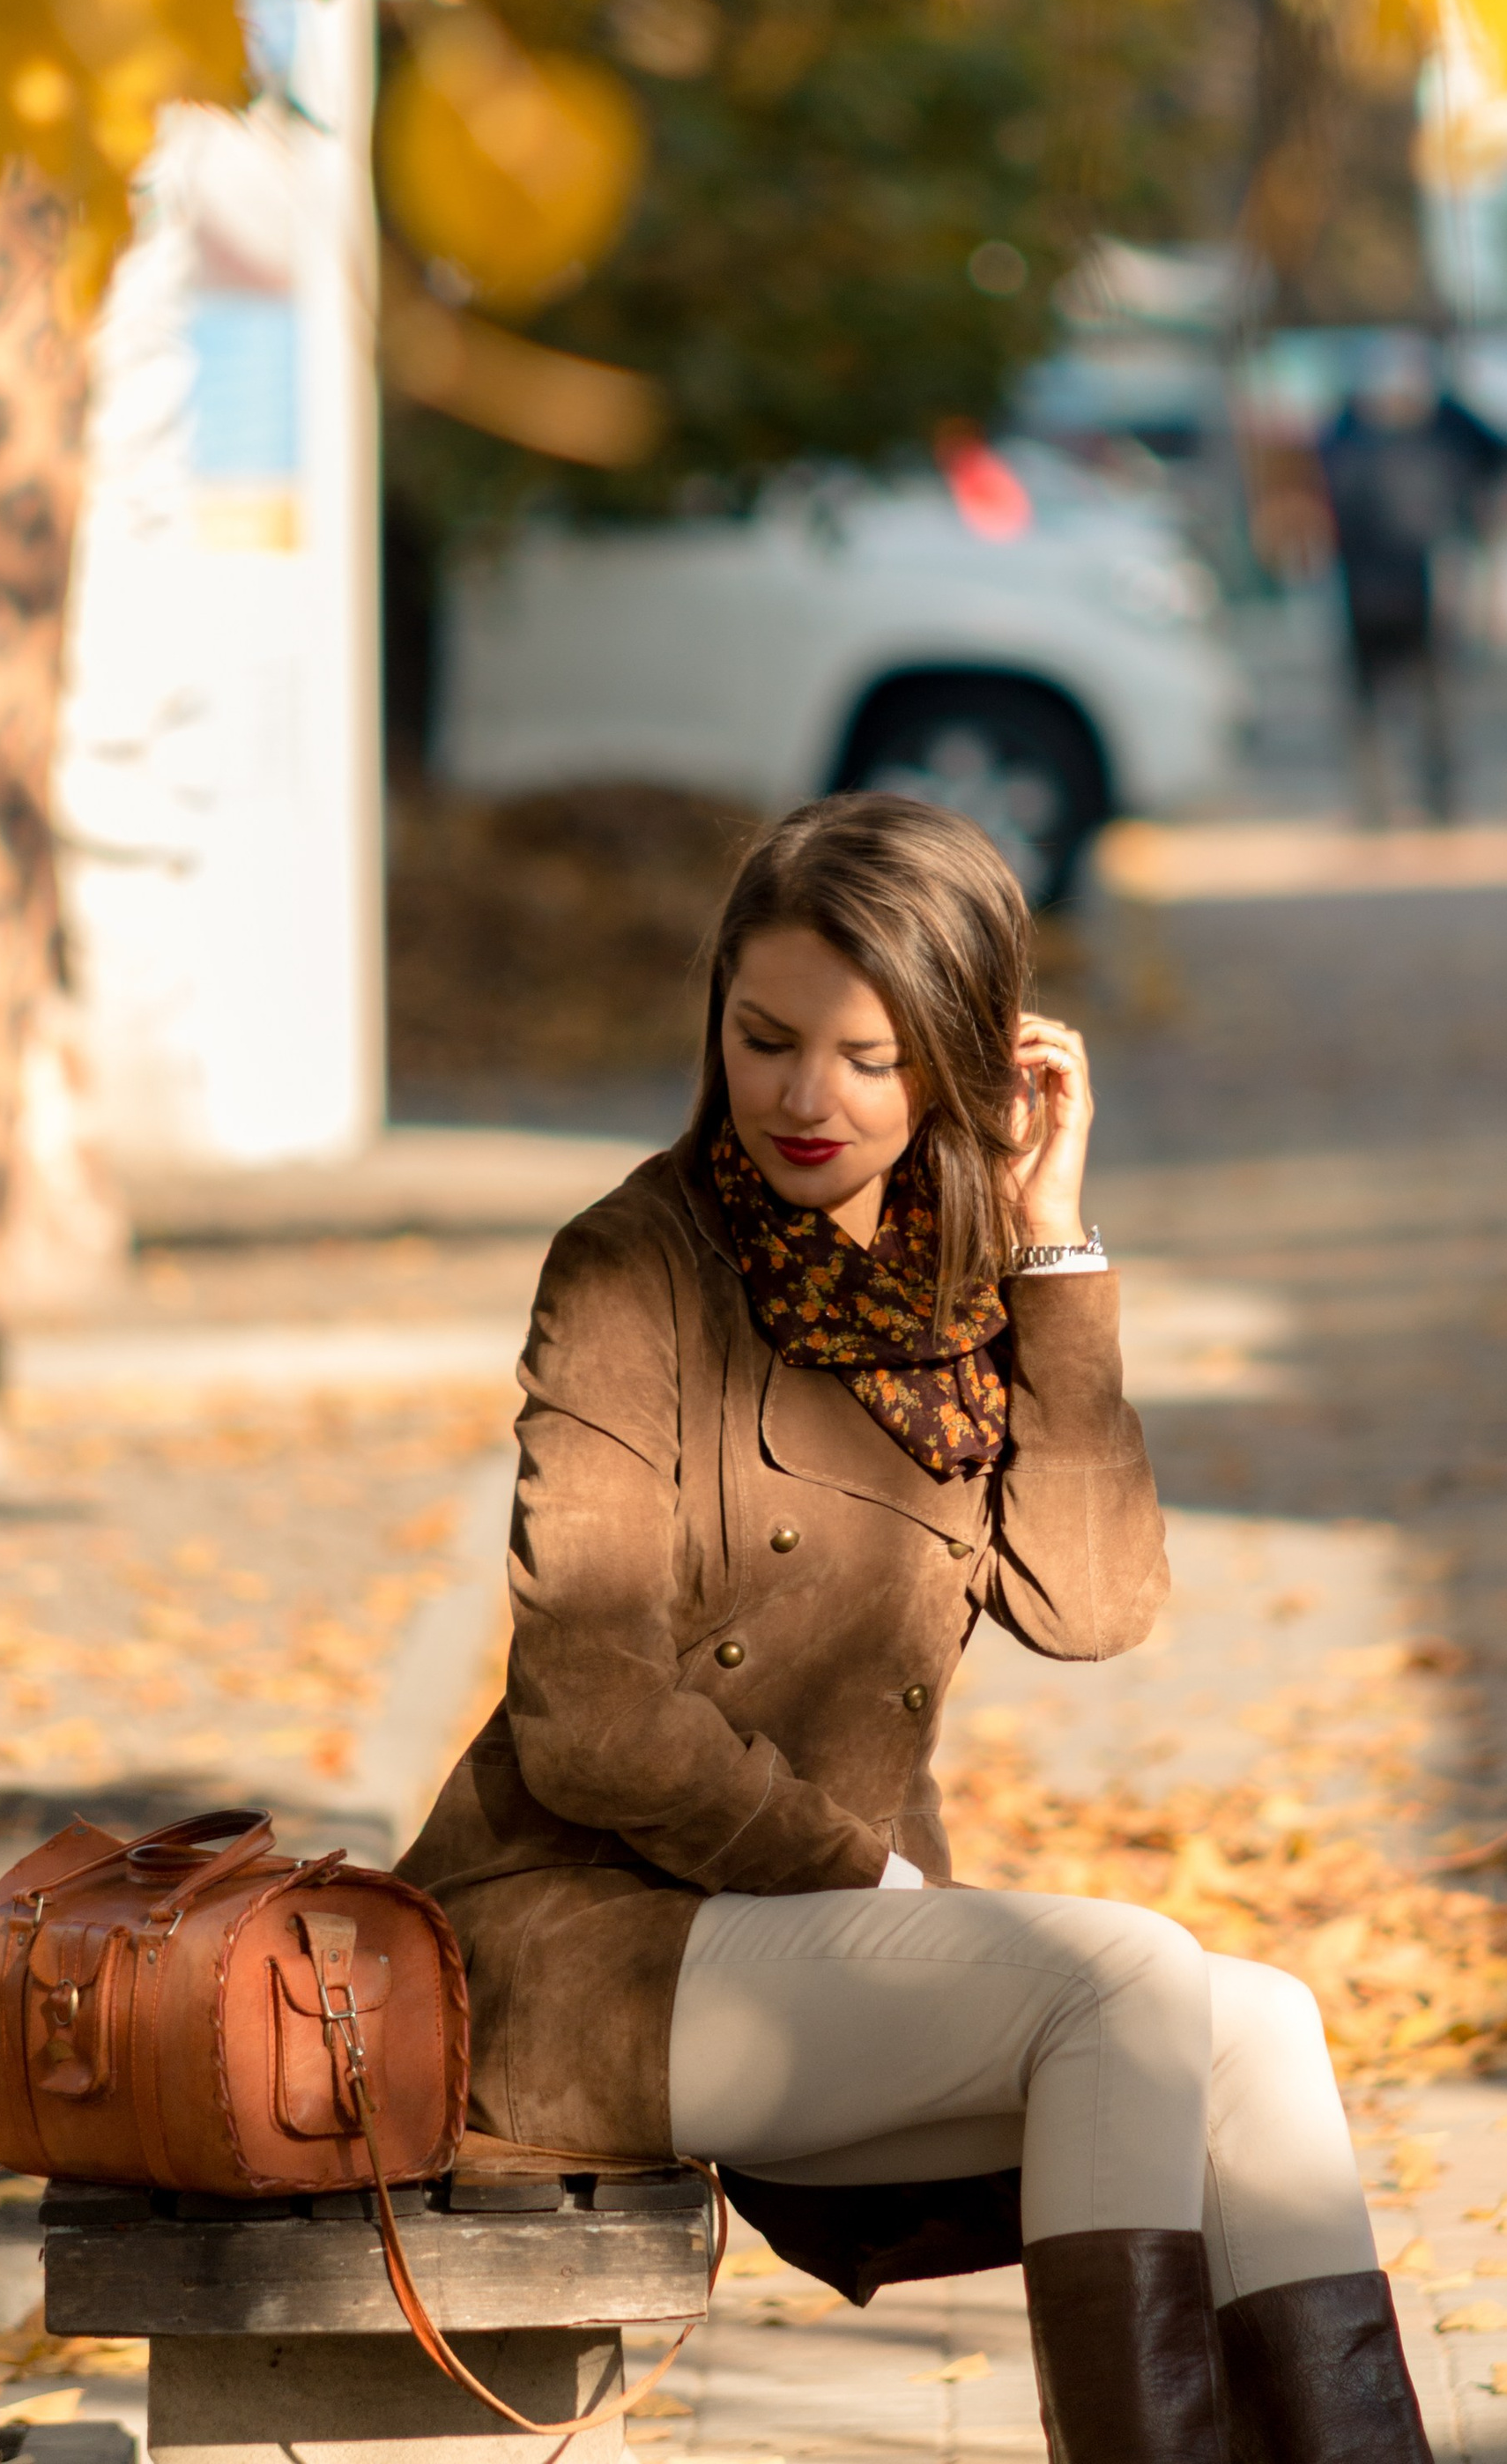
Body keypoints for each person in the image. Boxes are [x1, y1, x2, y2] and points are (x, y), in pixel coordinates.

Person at [399, 791, 1431, 2464]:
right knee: (1125, 1973)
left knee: (1261, 2025)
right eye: (766, 1038)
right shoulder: (631, 1269)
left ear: (957, 1059)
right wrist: (861, 1879)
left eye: (870, 1057)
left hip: (816, 1962)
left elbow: (1089, 1609)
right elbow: (586, 1707)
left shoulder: (961, 1284)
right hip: (588, 1953)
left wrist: (1056, 1251)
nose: (806, 1098)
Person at [1317, 340, 1503, 824]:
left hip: (1424, 590)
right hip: (1366, 591)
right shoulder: (1352, 433)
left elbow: (1498, 460)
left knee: (1431, 706)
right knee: (1373, 709)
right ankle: (1379, 806)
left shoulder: (1439, 430)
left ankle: (1435, 802)